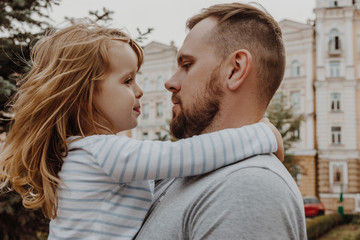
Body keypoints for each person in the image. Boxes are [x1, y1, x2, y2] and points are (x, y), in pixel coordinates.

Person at [0, 22, 283, 239]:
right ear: (82, 97)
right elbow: (189, 155)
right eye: (127, 81)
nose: (139, 91)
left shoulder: (89, 153)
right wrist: (265, 134)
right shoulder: (103, 152)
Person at [134, 3, 307, 240]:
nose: (170, 82)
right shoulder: (190, 170)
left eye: (187, 65)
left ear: (235, 70)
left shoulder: (247, 189)